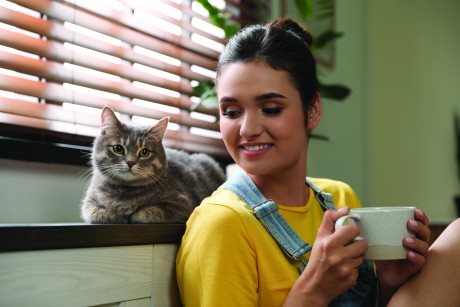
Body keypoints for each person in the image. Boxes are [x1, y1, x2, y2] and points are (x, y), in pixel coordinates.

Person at [176, 17, 460, 306]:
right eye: (231, 112)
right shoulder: (222, 224)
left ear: (312, 111)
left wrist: (388, 281)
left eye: (271, 109)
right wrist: (312, 292)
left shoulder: (339, 199)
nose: (247, 129)